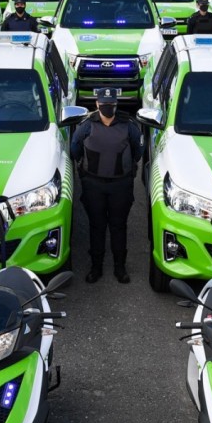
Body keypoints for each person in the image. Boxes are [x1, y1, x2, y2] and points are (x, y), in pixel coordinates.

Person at [70, 88, 143, 284]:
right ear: (97, 104)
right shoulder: (86, 126)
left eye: (111, 105)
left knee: (119, 226)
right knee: (97, 226)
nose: (107, 108)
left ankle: (120, 268)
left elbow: (138, 151)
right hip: (94, 184)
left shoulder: (129, 126)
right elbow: (75, 148)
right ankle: (96, 267)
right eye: (104, 105)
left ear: (116, 105)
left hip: (121, 184)